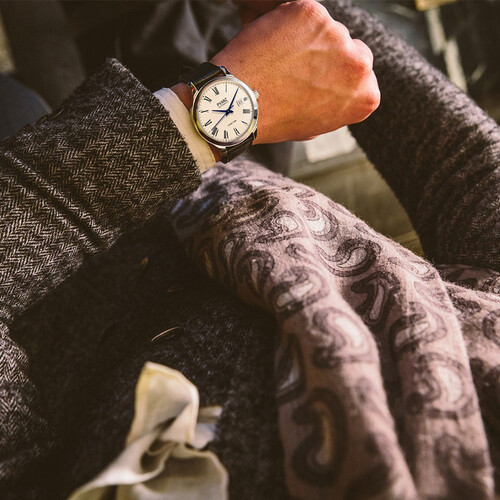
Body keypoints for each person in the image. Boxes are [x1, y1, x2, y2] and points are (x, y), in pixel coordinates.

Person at [0, 1, 499, 499]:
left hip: (51, 261)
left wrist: (189, 124)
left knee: (13, 96)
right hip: (244, 170)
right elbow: (467, 172)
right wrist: (315, 26)